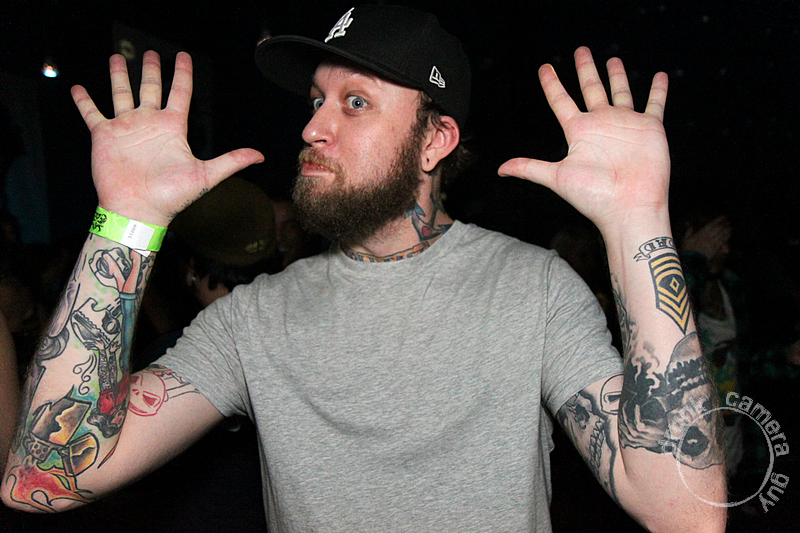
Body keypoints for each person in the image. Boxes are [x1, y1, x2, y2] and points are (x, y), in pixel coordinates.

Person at [2, 5, 725, 531]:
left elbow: (683, 512)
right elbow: (45, 476)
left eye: (355, 103)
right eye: (317, 100)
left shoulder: (533, 289)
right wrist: (127, 219)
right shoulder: (256, 317)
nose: (314, 126)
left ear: (435, 140)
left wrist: (638, 221)